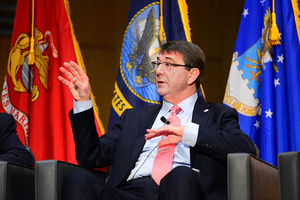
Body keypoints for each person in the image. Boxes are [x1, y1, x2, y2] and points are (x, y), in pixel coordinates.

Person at [58, 40, 257, 200]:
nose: (158, 71)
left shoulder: (218, 114)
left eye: (168, 64)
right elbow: (91, 157)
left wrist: (187, 133)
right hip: (131, 193)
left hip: (182, 190)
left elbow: (246, 148)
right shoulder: (133, 117)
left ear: (192, 75)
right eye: (158, 64)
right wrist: (83, 101)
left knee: (181, 175)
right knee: (79, 180)